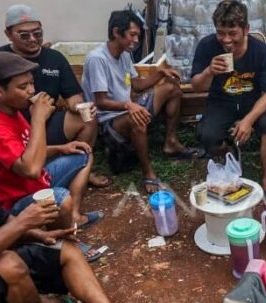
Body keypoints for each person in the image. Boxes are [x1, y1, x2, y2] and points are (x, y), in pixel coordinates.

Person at [0, 179, 160, 303]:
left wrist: (41, 235)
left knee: (66, 248)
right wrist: (23, 223)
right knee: (9, 263)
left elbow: (4, 220)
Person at [0, 52, 103, 261]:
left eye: (31, 84)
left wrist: (62, 148)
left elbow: (28, 149)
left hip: (34, 182)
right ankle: (65, 246)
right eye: (22, 87)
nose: (32, 91)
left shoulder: (12, 111)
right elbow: (31, 168)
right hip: (12, 205)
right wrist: (38, 119)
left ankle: (74, 217)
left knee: (83, 154)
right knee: (60, 198)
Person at [0, 4, 109, 188]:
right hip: (10, 128)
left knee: (88, 120)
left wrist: (81, 107)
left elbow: (73, 97)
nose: (32, 39)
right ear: (8, 33)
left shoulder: (54, 59)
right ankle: (39, 172)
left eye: (37, 33)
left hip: (47, 123)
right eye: (24, 35)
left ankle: (78, 169)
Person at [83, 10, 197, 194]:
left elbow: (136, 85)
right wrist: (128, 105)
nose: (136, 40)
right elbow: (101, 102)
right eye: (132, 35)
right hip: (108, 122)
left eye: (138, 35)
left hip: (128, 109)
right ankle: (148, 173)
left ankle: (171, 142)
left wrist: (161, 73)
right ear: (116, 32)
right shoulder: (97, 59)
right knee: (136, 119)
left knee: (172, 87)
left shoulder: (125, 54)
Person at [190, 0, 266, 201]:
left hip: (253, 101)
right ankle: (228, 151)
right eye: (221, 33)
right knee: (208, 137)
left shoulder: (262, 52)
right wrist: (208, 71)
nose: (226, 40)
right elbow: (196, 85)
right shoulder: (207, 46)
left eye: (233, 34)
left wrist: (248, 120)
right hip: (222, 101)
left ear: (246, 29)